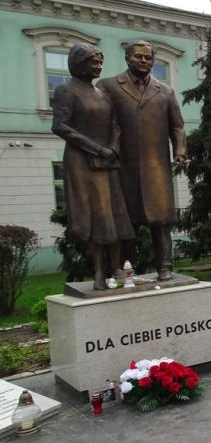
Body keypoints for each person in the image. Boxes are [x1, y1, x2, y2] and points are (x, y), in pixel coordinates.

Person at [97, 40, 186, 281]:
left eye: (148, 58)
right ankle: (123, 270)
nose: (144, 61)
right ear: (127, 58)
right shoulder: (108, 87)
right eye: (139, 57)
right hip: (123, 167)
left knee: (161, 222)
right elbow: (100, 122)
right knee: (126, 224)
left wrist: (179, 151)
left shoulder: (165, 91)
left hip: (157, 167)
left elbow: (177, 127)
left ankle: (164, 267)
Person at [52, 44, 135, 290]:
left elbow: (115, 125)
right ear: (79, 63)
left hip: (108, 162)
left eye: (100, 61)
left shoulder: (101, 94)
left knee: (115, 215)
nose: (99, 66)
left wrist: (113, 147)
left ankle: (117, 267)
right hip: (83, 163)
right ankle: (98, 271)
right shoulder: (66, 91)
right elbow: (61, 126)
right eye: (93, 61)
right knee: (96, 217)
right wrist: (98, 149)